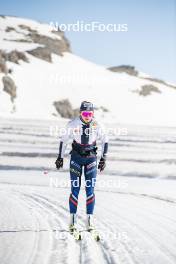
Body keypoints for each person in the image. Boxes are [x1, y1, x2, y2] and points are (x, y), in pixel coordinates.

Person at [55, 101, 108, 233]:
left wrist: (103, 158)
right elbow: (64, 140)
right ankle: (72, 220)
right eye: (85, 113)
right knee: (75, 189)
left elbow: (105, 140)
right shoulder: (73, 124)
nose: (87, 116)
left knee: (90, 189)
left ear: (93, 114)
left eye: (90, 114)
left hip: (91, 158)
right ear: (80, 113)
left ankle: (89, 221)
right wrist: (60, 157)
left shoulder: (97, 125)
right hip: (76, 159)